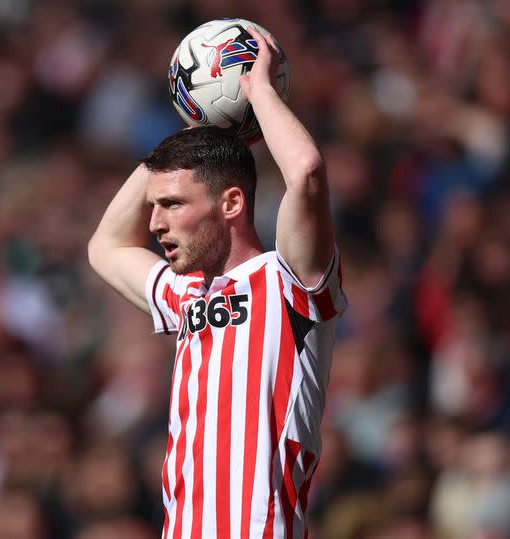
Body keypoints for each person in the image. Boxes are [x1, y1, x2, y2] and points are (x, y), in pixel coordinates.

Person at [88, 26, 346, 538]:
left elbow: (307, 173)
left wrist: (258, 92)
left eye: (173, 205)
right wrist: (189, 135)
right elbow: (106, 247)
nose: (155, 222)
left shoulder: (290, 283)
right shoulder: (184, 294)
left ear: (231, 204)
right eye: (155, 206)